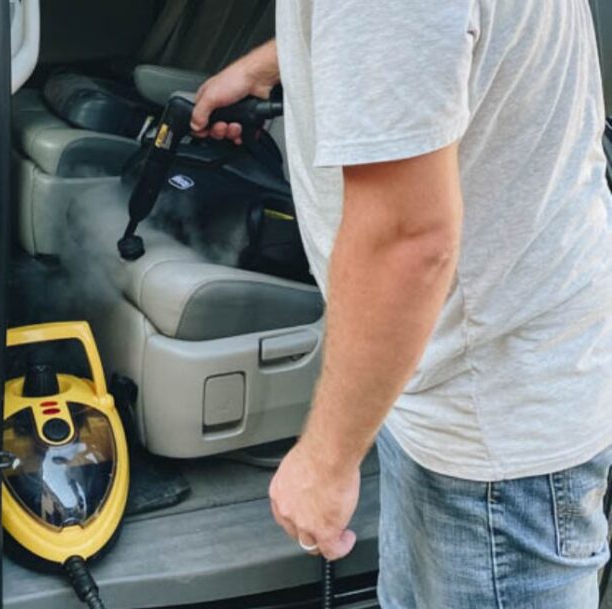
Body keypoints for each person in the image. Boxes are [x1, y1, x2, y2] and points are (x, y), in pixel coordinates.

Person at [192, 2, 612, 607]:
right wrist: (276, 61)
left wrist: (325, 461)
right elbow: (432, 37)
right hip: (450, 368)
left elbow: (408, 241)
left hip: (488, 424)